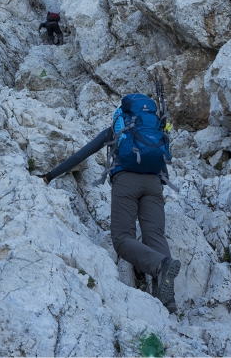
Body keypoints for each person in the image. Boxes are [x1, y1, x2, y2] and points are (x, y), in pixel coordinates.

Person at [39, 93, 181, 313]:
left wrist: (50, 175)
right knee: (155, 236)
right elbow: (162, 160)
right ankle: (166, 299)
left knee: (123, 239)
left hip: (126, 182)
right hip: (153, 184)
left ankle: (161, 265)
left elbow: (82, 154)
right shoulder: (154, 130)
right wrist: (158, 183)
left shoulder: (116, 130)